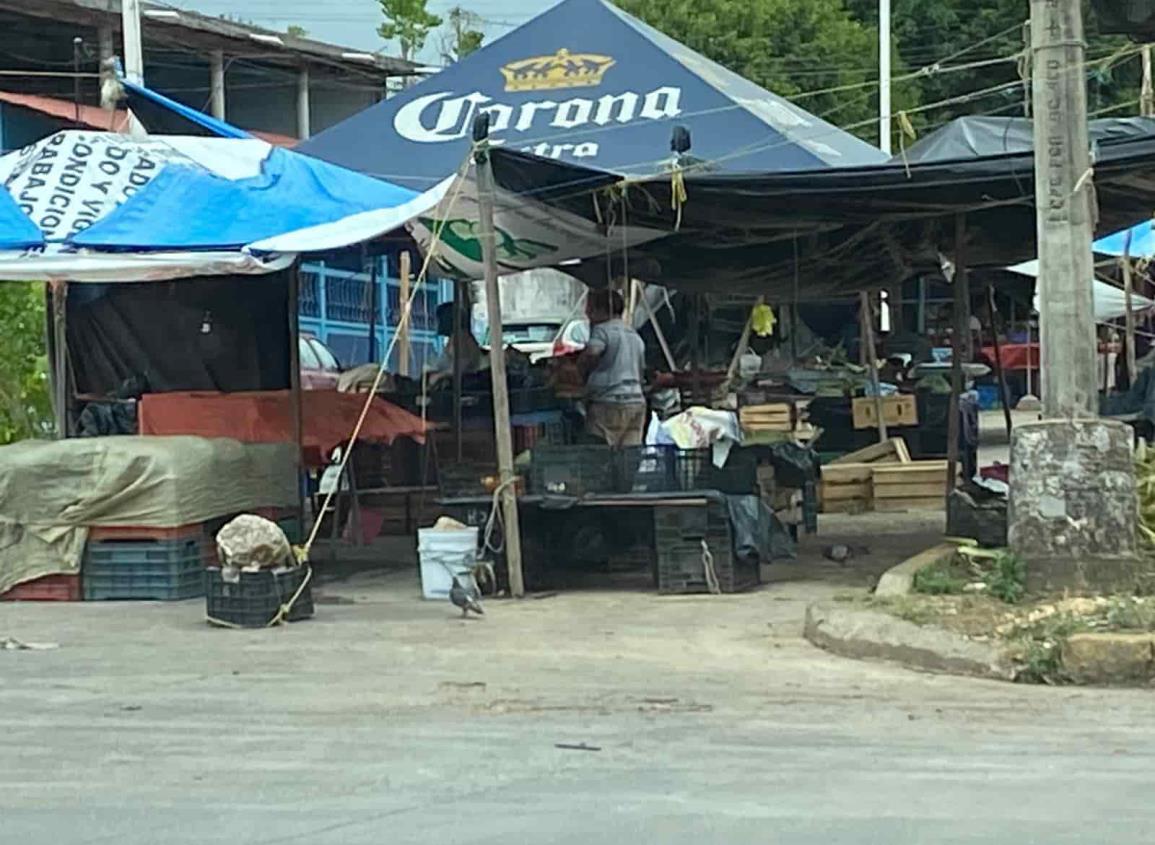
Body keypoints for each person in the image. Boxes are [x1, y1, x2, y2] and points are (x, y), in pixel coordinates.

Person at [579, 288, 647, 446]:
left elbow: (592, 353)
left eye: (591, 309)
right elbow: (641, 369)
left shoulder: (602, 331)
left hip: (608, 402)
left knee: (600, 451)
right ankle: (627, 472)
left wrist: (582, 370)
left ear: (601, 309)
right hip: (636, 402)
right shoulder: (634, 335)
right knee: (629, 453)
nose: (588, 315)